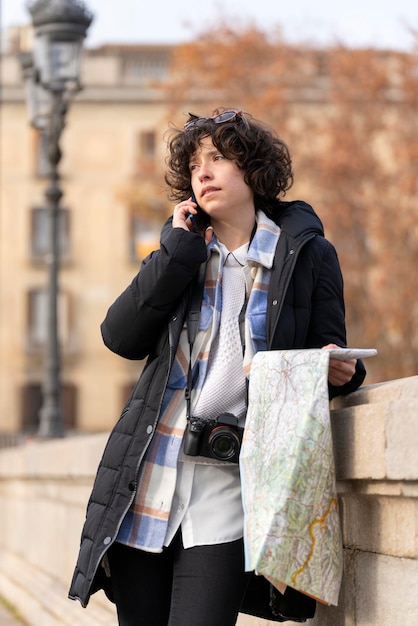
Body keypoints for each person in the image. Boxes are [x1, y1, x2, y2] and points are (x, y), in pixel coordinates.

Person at [69, 108, 366, 625]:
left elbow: (330, 352)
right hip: (152, 479)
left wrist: (341, 372)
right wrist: (176, 254)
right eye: (195, 164)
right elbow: (119, 337)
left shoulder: (309, 257)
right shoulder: (180, 251)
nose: (202, 172)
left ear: (253, 171)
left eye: (219, 158)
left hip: (231, 488)